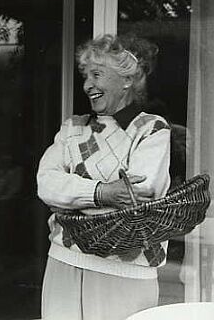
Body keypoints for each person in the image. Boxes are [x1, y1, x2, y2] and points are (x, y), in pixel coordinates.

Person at [37, 34, 171, 320]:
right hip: (64, 261)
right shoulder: (72, 127)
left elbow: (138, 194)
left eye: (96, 74)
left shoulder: (151, 129)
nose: (87, 85)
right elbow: (46, 183)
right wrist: (102, 192)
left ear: (127, 80)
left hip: (126, 272)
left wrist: (69, 198)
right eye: (86, 76)